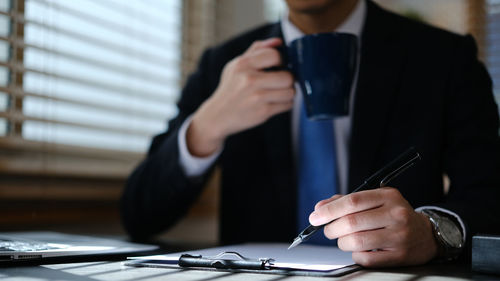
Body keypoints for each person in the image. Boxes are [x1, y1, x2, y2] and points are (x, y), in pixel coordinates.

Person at [121, 0, 500, 267]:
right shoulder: (222, 65)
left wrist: (433, 233)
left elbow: (489, 195)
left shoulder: (444, 58)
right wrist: (206, 126)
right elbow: (139, 214)